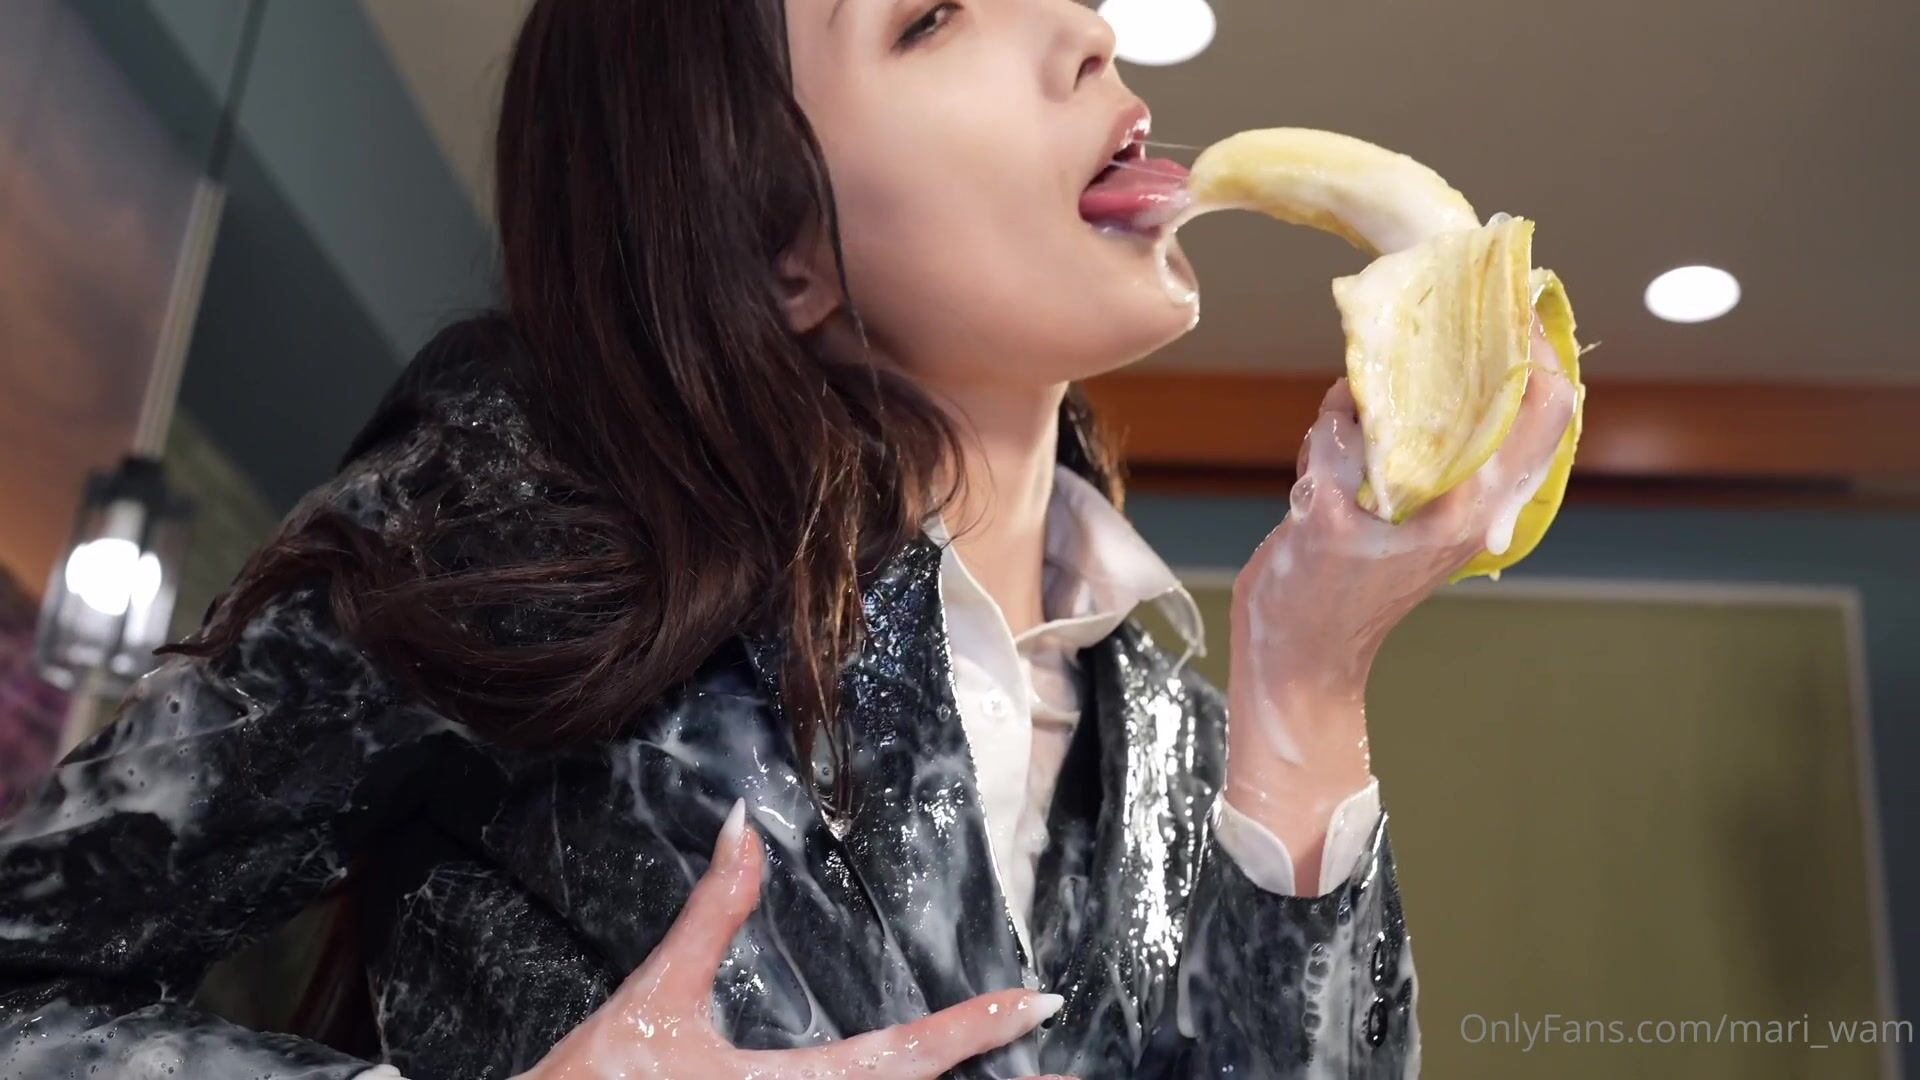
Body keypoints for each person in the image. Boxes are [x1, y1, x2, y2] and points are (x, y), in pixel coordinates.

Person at [0, 0, 1574, 1077]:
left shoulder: (1176, 744)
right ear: (778, 253)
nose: (1087, 28)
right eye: (932, 16)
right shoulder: (535, 541)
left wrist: (1306, 685)